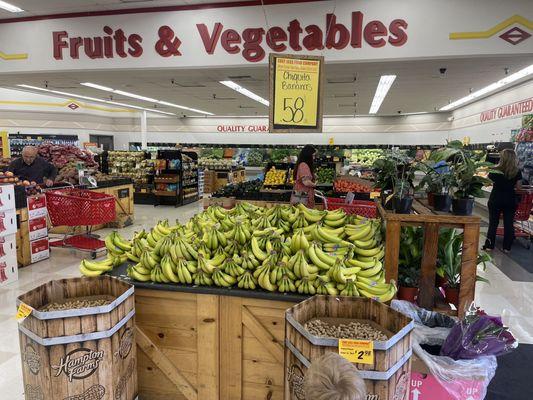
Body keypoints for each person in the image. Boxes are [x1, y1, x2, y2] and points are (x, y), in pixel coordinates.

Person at [483, 149, 522, 253]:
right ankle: (507, 248)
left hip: (495, 199)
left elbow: (487, 183)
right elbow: (518, 188)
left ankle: (489, 246)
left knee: (493, 223)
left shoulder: (495, 170)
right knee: (508, 224)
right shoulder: (517, 171)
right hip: (510, 200)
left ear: (502, 158)